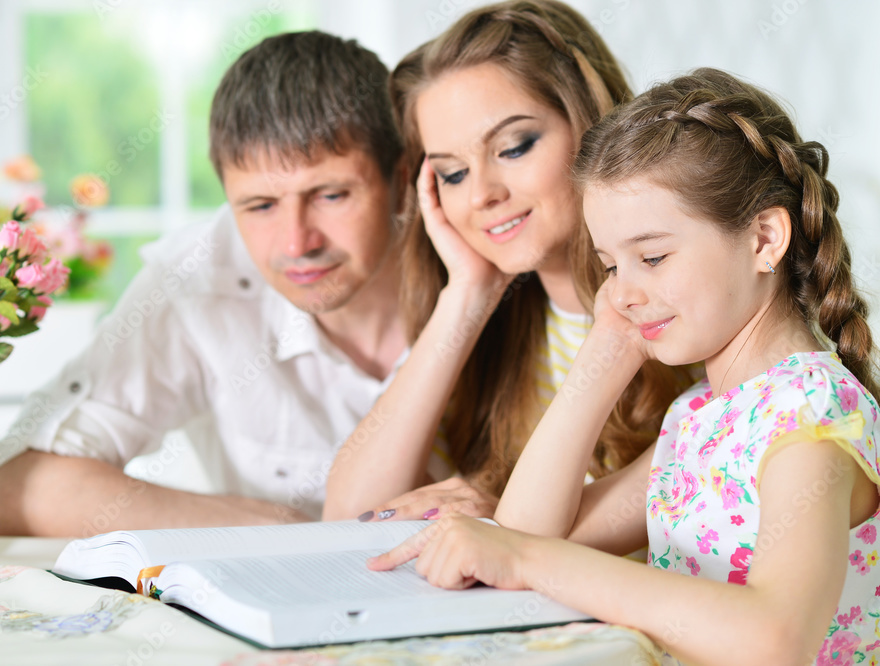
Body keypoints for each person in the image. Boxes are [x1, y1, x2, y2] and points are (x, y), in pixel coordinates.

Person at [370, 68, 880, 664]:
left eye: (654, 256)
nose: (622, 292)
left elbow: (775, 639)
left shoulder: (813, 420)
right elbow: (522, 532)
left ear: (765, 238)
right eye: (612, 266)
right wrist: (607, 352)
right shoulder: (698, 417)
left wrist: (526, 559)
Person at [0, 30, 436, 536]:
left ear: (401, 180)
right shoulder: (199, 278)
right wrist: (296, 531)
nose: (296, 243)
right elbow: (23, 493)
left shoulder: (478, 260)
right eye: (260, 206)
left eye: (330, 195)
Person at [324, 0, 692, 522]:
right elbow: (348, 518)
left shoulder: (686, 303)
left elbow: (673, 541)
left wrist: (496, 521)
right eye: (453, 174)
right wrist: (468, 293)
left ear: (591, 126)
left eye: (514, 147)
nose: (481, 195)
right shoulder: (495, 330)